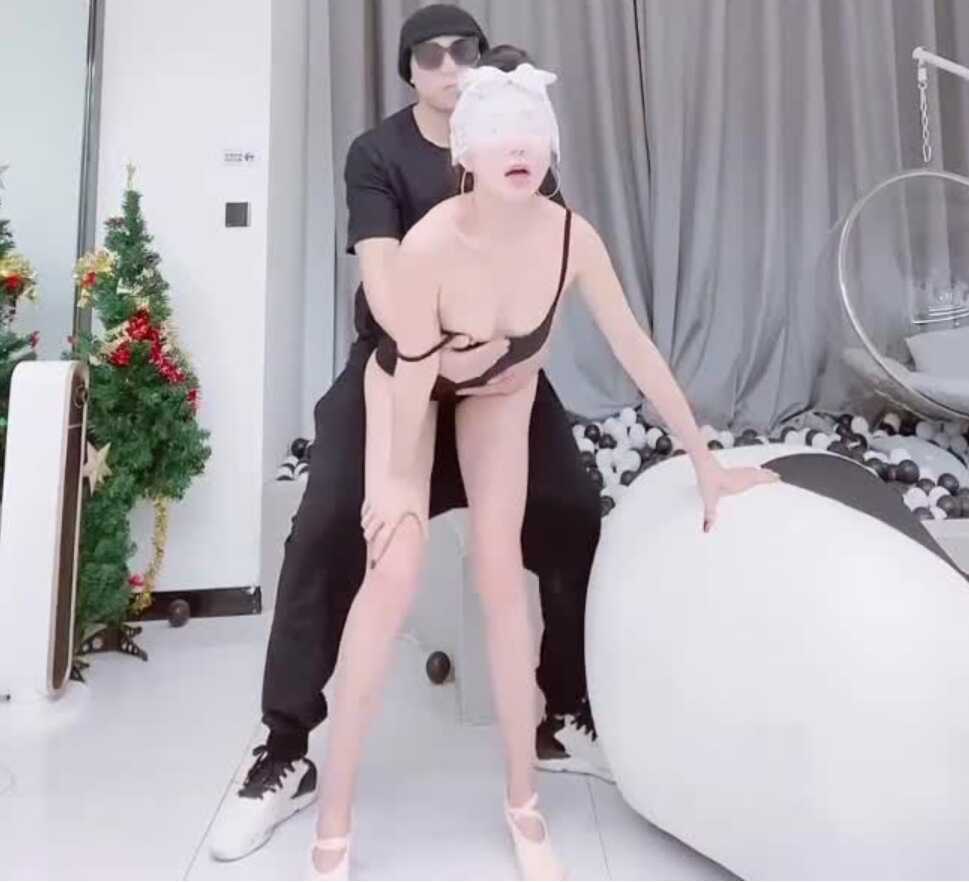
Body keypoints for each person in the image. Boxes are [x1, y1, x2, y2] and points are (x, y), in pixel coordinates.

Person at [308, 57, 780, 881]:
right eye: (498, 134)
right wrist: (389, 483)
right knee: (393, 572)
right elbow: (411, 374)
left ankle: (522, 801)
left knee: (501, 576)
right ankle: (334, 821)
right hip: (411, 385)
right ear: (465, 152)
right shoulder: (431, 242)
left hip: (500, 394)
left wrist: (703, 461)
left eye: (532, 133)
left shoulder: (570, 237)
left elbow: (634, 347)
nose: (518, 148)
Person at [209, 6, 607, 865]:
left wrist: (513, 352)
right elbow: (386, 283)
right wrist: (437, 356)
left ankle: (560, 711)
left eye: (464, 51)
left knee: (573, 509)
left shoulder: (510, 133)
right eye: (429, 55)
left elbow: (549, 260)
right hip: (401, 369)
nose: (449, 66)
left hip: (499, 377)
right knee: (325, 522)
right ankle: (285, 751)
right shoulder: (377, 154)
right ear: (408, 69)